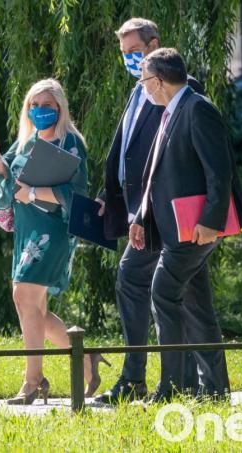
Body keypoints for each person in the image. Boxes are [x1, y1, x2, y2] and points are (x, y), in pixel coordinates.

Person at [93, 18, 204, 405]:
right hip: (140, 211)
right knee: (183, 295)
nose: (129, 61)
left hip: (164, 215)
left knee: (140, 282)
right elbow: (129, 150)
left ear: (154, 43)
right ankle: (182, 381)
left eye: (134, 52)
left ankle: (143, 378)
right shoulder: (139, 91)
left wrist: (146, 210)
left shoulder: (178, 92)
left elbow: (173, 161)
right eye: (124, 55)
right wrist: (113, 196)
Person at [129, 48, 242, 403]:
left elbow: (220, 171)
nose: (143, 87)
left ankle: (172, 387)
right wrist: (141, 218)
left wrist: (211, 222)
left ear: (158, 80)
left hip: (196, 230)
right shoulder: (171, 111)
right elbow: (157, 176)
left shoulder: (198, 108)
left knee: (162, 292)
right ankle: (213, 390)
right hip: (175, 229)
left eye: (144, 80)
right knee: (197, 307)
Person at [0, 78, 110, 405]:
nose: (39, 111)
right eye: (33, 106)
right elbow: (8, 174)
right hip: (27, 227)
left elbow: (78, 191)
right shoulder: (26, 140)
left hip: (53, 230)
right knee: (32, 305)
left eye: (46, 106)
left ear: (59, 108)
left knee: (23, 293)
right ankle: (84, 357)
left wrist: (34, 192)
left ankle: (33, 380)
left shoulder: (71, 142)